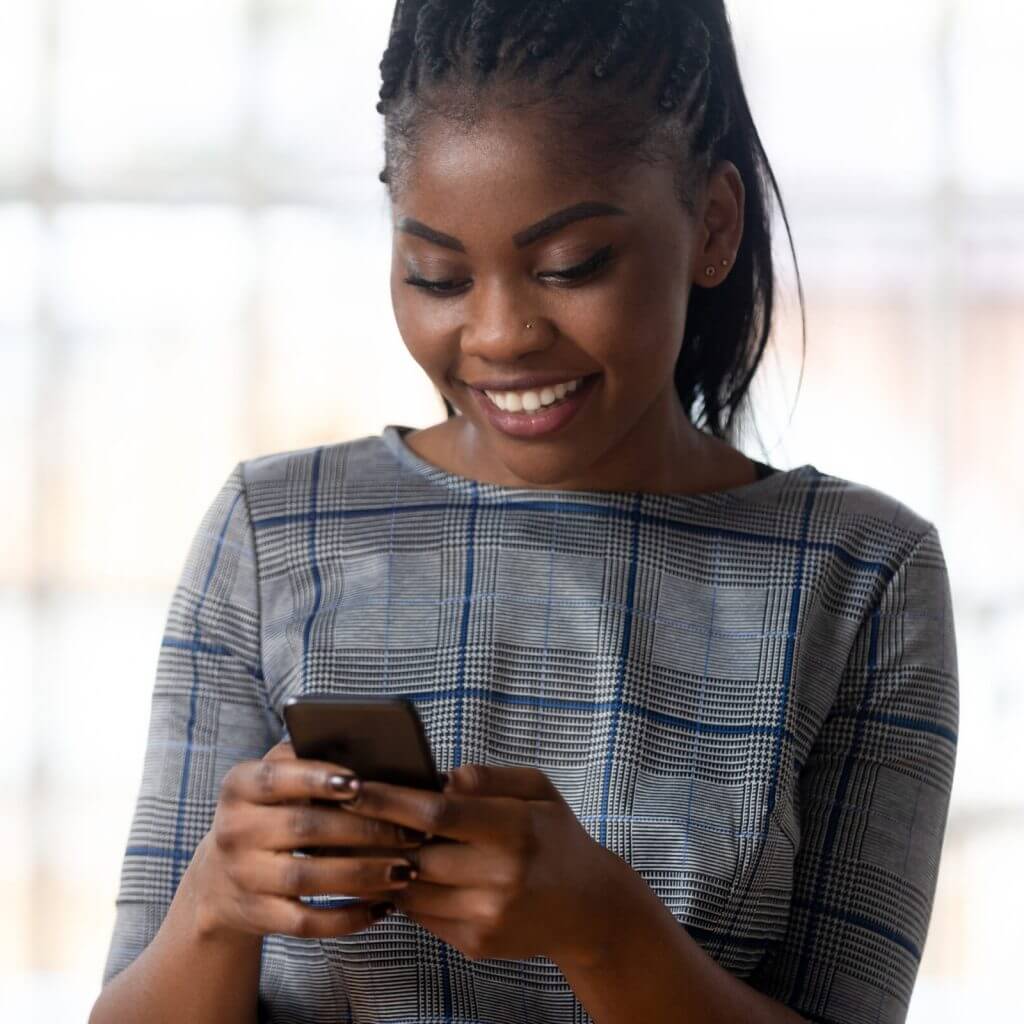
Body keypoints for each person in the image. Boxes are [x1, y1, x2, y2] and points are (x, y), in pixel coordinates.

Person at [89, 2, 959, 1023]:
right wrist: (216, 908)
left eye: (569, 267)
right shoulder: (273, 529)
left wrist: (605, 929)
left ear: (712, 225)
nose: (498, 334)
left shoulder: (860, 574)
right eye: (438, 276)